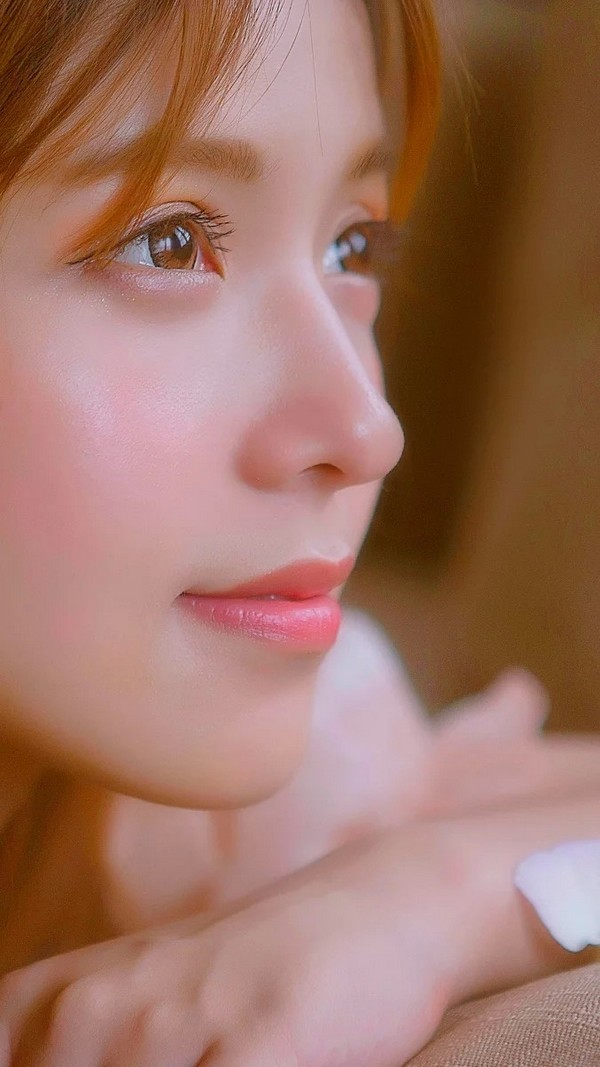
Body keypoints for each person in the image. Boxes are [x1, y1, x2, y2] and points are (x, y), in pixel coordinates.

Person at [0, 0, 599, 1062]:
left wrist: (428, 892)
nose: (368, 430)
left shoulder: (228, 803)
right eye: (168, 239)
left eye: (350, 246)